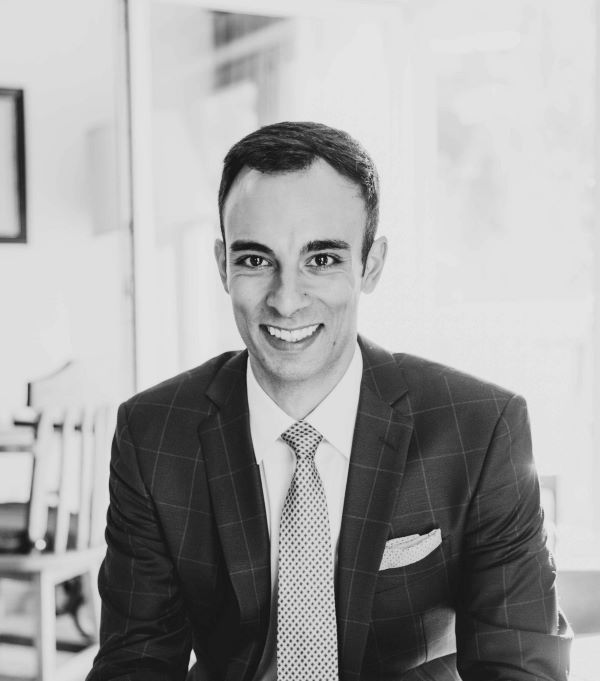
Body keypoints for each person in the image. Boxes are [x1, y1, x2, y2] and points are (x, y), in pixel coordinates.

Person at [87, 121, 571, 681]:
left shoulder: (481, 430)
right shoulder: (152, 435)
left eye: (321, 260)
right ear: (223, 266)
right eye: (255, 260)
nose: (286, 300)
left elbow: (521, 668)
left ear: (371, 264)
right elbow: (136, 662)